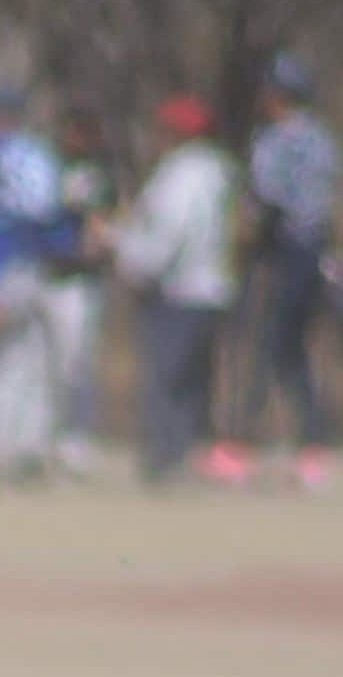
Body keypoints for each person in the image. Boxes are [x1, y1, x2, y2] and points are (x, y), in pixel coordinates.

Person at [112, 95, 241, 484]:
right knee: (193, 377)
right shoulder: (222, 171)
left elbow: (170, 231)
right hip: (215, 288)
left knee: (168, 375)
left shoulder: (181, 173)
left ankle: (166, 456)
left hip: (179, 289)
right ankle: (187, 449)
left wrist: (138, 267)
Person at [241, 54, 337, 492]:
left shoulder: (275, 141)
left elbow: (265, 200)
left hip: (286, 253)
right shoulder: (323, 140)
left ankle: (247, 442)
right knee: (300, 349)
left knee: (276, 346)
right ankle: (312, 443)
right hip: (319, 251)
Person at [0, 84, 71, 480]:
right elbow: (53, 223)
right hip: (37, 269)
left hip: (4, 267)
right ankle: (29, 448)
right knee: (29, 362)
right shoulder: (42, 156)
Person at [44, 98, 126, 470]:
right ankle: (43, 434)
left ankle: (76, 437)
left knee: (75, 363)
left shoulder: (99, 175)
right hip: (48, 274)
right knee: (45, 362)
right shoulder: (50, 168)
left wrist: (98, 241)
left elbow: (104, 223)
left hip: (80, 281)